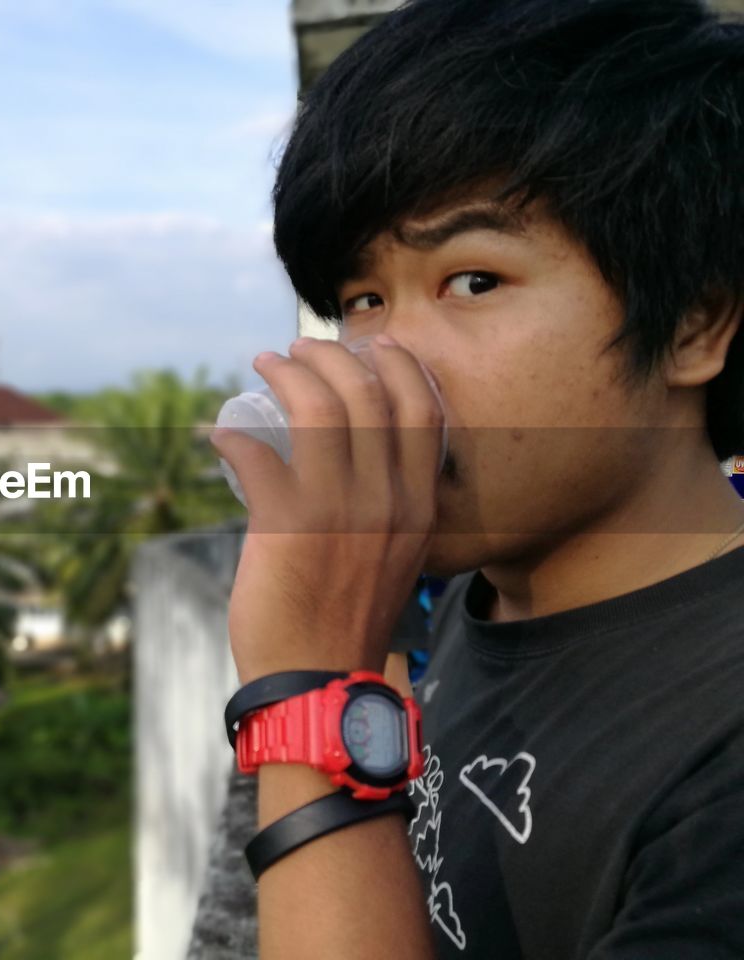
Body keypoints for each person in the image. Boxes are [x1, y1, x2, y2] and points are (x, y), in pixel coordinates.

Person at [208, 0, 744, 956]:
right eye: (362, 299)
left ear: (695, 325)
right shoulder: (465, 603)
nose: (386, 358)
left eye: (473, 281)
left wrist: (310, 701)